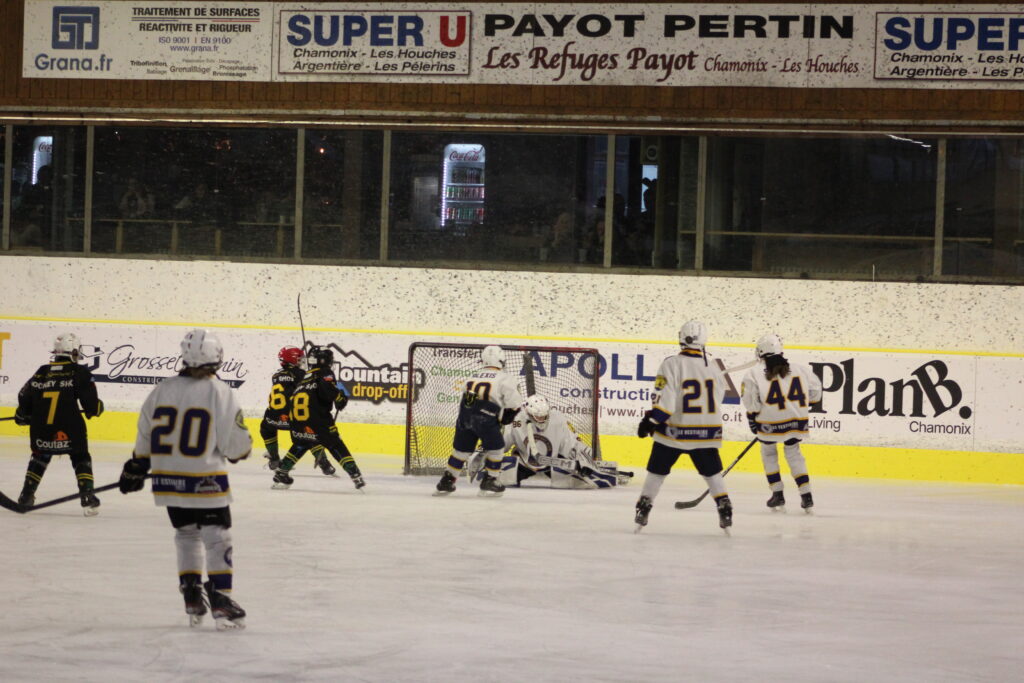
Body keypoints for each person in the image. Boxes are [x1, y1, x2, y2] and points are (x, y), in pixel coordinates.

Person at [118, 329, 252, 630]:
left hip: (168, 481)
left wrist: (137, 465)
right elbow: (236, 446)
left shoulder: (162, 389)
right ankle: (221, 599)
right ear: (217, 357)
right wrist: (239, 451)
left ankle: (192, 594)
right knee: (217, 537)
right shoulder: (220, 391)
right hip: (206, 480)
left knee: (186, 534)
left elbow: (145, 431)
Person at [634, 320, 733, 532]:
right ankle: (724, 504)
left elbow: (666, 404)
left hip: (675, 432)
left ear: (681, 338)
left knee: (657, 472)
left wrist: (651, 421)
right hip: (707, 432)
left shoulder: (670, 364)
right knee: (712, 474)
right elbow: (718, 399)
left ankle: (644, 506)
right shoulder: (713, 366)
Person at [13, 333, 105, 514]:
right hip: (70, 427)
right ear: (74, 352)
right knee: (80, 456)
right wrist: (97, 408)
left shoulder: (41, 371)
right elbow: (92, 406)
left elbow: (24, 396)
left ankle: (26, 496)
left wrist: (23, 414)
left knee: (39, 456)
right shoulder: (79, 372)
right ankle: (87, 495)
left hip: (41, 429)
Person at [470, 394, 631, 488]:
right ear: (529, 414)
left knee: (589, 482)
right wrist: (484, 451)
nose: (541, 419)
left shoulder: (558, 419)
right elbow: (502, 442)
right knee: (490, 477)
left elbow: (572, 443)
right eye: (538, 416)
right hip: (524, 462)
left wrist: (585, 459)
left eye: (544, 416)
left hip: (553, 463)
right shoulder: (517, 420)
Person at [741, 334, 823, 512]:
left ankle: (777, 494)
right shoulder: (801, 369)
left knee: (768, 453)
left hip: (769, 422)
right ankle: (806, 495)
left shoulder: (753, 373)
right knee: (794, 453)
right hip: (796, 421)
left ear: (760, 352)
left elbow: (752, 404)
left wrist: (752, 418)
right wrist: (801, 406)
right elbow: (816, 393)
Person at [271, 344, 365, 490]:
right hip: (316, 420)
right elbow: (327, 391)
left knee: (302, 443)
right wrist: (340, 398)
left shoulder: (305, 376)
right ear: (325, 360)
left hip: (297, 421)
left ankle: (282, 472)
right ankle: (355, 474)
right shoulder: (325, 372)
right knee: (335, 444)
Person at [434, 345, 524, 497]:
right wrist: (507, 416)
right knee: (497, 448)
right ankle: (491, 479)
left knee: (461, 451)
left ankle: (447, 480)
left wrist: (469, 417)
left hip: (465, 415)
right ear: (501, 360)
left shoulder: (473, 376)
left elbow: (467, 399)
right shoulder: (505, 378)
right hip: (486, 416)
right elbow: (514, 403)